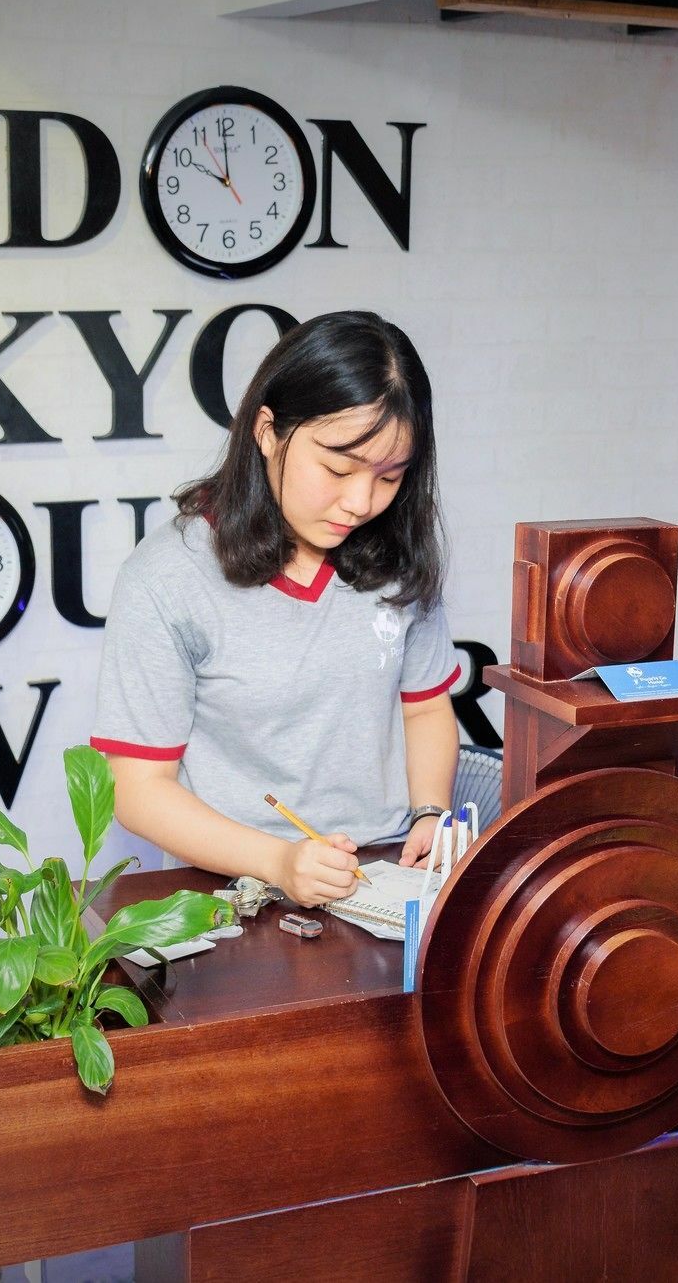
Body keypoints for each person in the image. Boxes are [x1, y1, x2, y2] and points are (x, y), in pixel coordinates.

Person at [90, 311, 458, 907]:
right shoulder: (167, 577)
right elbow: (137, 790)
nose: (361, 501)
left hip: (387, 878)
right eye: (338, 468)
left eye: (390, 477)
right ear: (267, 432)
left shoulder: (395, 553)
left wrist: (430, 813)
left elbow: (423, 709)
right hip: (228, 889)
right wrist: (280, 862)